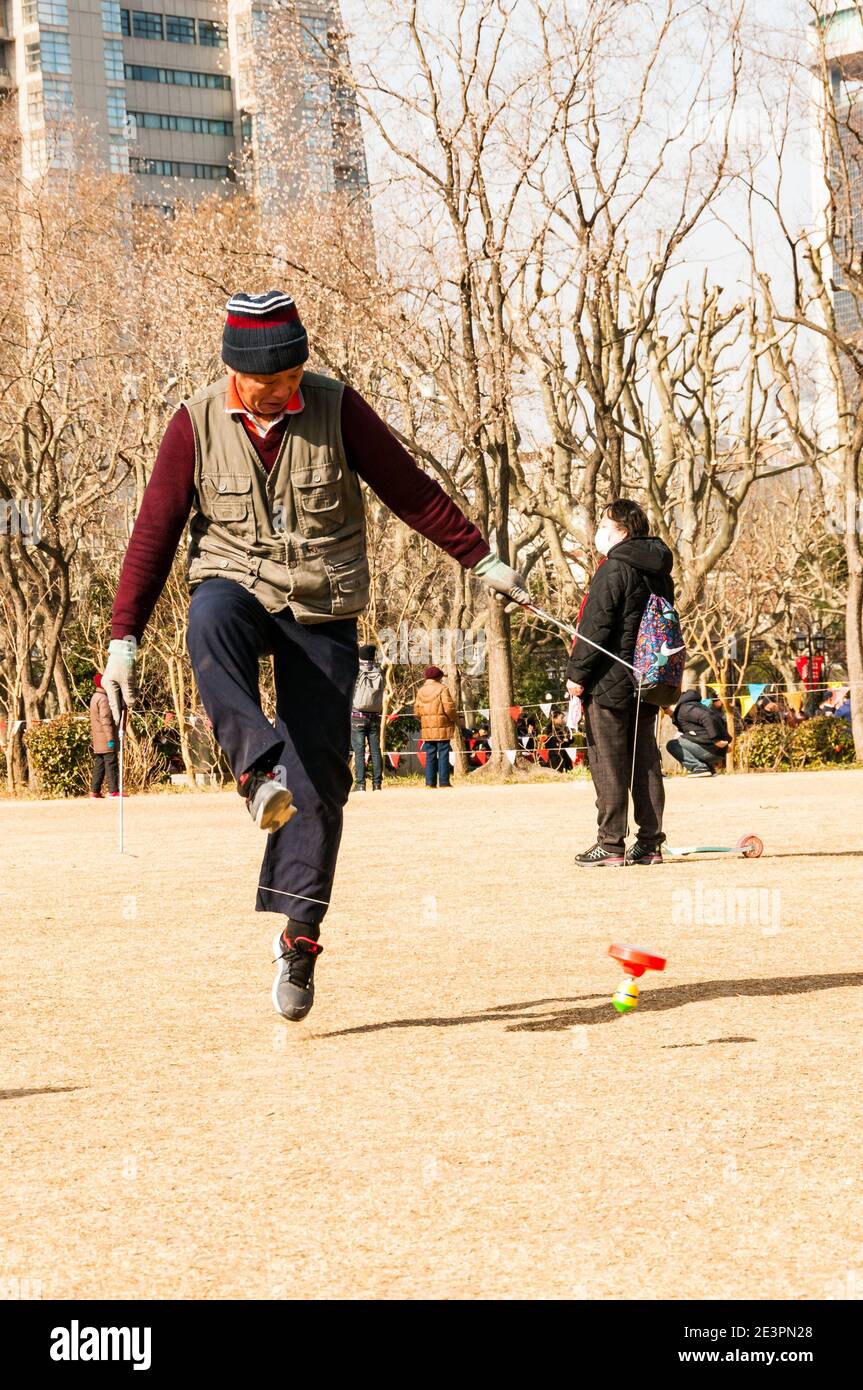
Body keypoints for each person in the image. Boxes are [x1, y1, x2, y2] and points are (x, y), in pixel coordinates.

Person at [103, 290, 529, 1021]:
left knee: (323, 777)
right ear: (235, 375)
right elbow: (155, 532)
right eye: (274, 384)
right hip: (233, 580)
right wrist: (122, 639)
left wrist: (480, 559)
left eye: (297, 376)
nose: (287, 392)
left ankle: (299, 939)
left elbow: (410, 491)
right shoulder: (194, 423)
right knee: (209, 623)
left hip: (323, 603)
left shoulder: (335, 407)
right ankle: (254, 770)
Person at [566, 498, 674, 866]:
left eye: (605, 524)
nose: (600, 531)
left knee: (609, 763)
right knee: (644, 761)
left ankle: (610, 843)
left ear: (622, 531)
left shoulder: (614, 568)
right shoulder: (659, 569)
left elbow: (596, 628)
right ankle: (649, 842)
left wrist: (577, 675)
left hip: (610, 681)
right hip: (648, 678)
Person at [667, 690, 731, 776]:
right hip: (715, 749)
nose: (668, 714)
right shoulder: (694, 706)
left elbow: (707, 717)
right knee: (684, 738)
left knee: (673, 744)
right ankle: (708, 769)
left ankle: (699, 768)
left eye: (666, 711)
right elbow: (716, 718)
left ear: (671, 705)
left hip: (711, 749)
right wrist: (726, 739)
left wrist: (716, 739)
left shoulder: (684, 709)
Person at [414, 666, 457, 788]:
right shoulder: (443, 689)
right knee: (443, 752)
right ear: (438, 677)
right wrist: (454, 719)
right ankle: (444, 782)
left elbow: (416, 711)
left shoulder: (420, 691)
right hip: (443, 726)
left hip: (427, 727)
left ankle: (429, 782)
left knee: (430, 754)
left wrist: (425, 719)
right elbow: (449, 708)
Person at [350, 643, 385, 792]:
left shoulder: (356, 671)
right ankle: (377, 784)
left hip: (357, 715)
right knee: (375, 750)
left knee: (359, 752)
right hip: (375, 715)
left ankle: (360, 784)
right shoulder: (379, 671)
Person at [89, 673, 119, 798]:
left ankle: (94, 791)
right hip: (106, 738)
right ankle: (114, 790)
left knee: (99, 765)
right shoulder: (104, 699)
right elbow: (105, 720)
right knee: (111, 764)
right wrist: (111, 738)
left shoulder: (95, 696)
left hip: (98, 738)